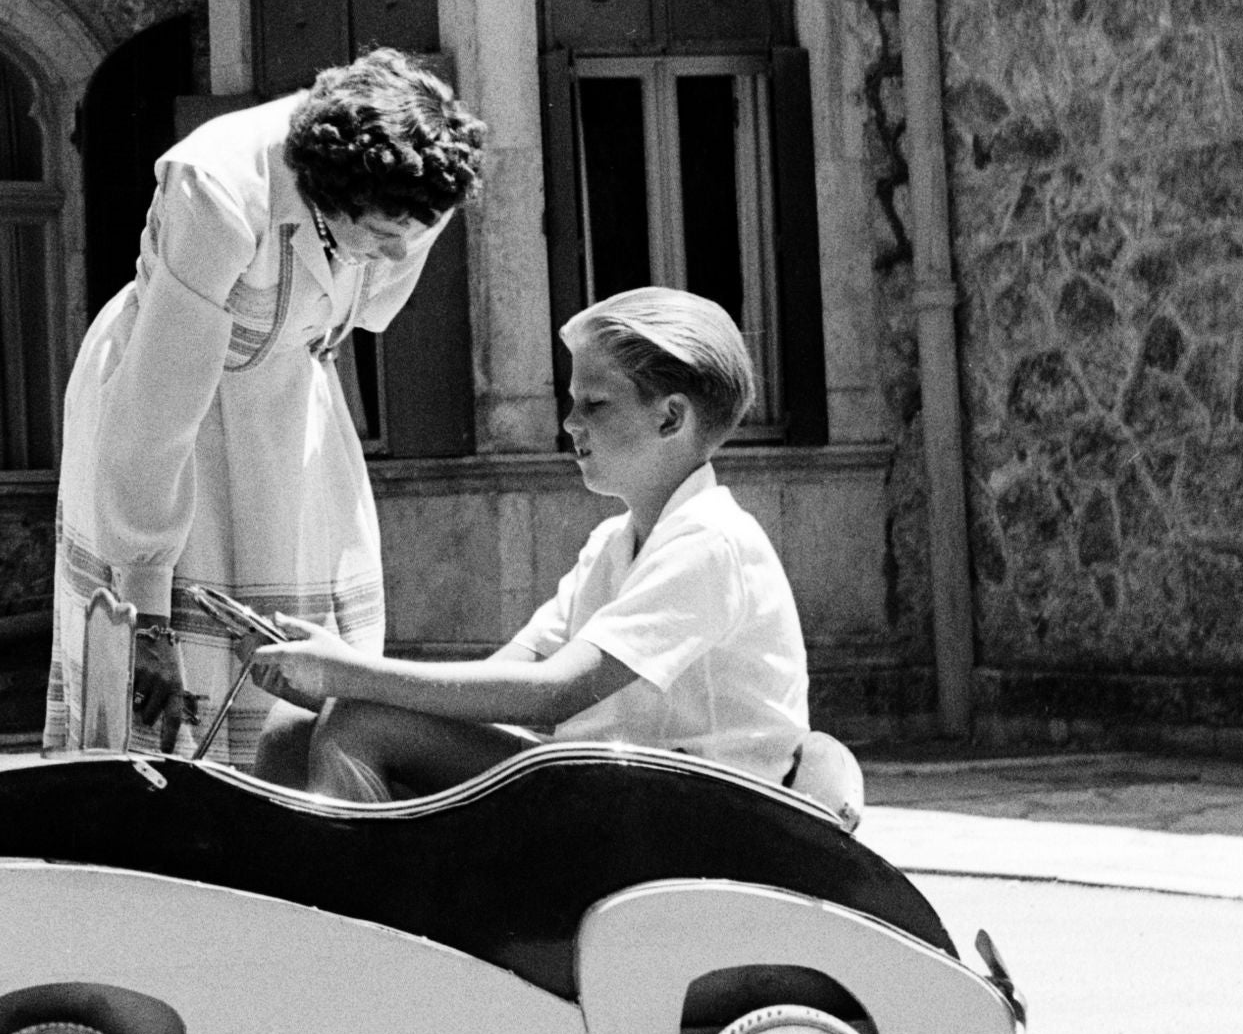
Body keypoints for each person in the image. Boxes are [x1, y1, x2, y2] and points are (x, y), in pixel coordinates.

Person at [42, 49, 485, 774]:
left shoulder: (420, 182)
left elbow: (352, 312)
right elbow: (156, 415)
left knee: (305, 656)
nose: (402, 251)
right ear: (331, 193)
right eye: (382, 233)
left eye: (418, 229)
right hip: (165, 405)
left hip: (287, 408)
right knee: (163, 675)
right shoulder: (218, 188)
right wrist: (145, 614)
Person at [248, 285, 818, 806]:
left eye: (595, 404)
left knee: (359, 722)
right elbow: (504, 679)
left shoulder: (711, 540)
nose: (570, 423)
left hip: (693, 813)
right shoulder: (614, 542)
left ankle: (363, 909)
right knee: (294, 729)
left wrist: (349, 675)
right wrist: (323, 676)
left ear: (671, 418)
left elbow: (554, 694)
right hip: (615, 791)